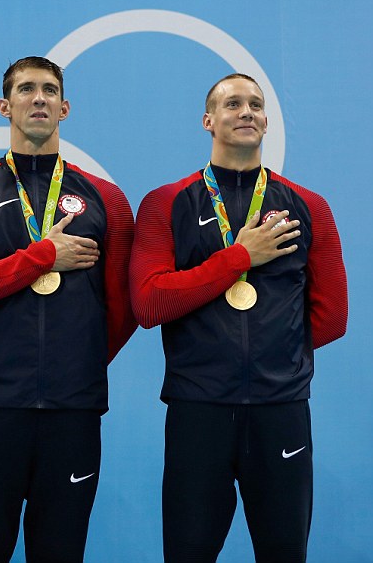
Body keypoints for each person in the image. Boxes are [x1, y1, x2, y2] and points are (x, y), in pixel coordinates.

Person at [129, 73, 348, 562]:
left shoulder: (309, 206)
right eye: (231, 104)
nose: (245, 111)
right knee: (188, 553)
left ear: (267, 121)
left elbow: (332, 316)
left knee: (284, 552)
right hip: (198, 411)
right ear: (209, 121)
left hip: (280, 410)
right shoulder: (166, 203)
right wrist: (238, 258)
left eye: (255, 104)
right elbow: (148, 303)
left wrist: (273, 357)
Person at [0, 56, 136, 562]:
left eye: (49, 90)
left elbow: (124, 310)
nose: (38, 98)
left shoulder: (106, 198)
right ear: (5, 106)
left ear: (65, 107)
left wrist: (76, 361)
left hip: (74, 412)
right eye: (26, 89)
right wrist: (42, 256)